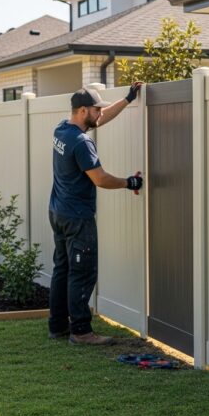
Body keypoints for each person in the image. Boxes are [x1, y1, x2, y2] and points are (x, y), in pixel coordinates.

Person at [48, 82, 144, 346]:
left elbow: (101, 120)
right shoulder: (81, 143)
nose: (100, 113)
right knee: (82, 272)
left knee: (62, 269)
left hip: (58, 212)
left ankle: (57, 326)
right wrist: (129, 182)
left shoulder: (62, 129)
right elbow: (100, 179)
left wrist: (127, 99)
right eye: (95, 109)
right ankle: (80, 331)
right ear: (82, 111)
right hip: (78, 218)